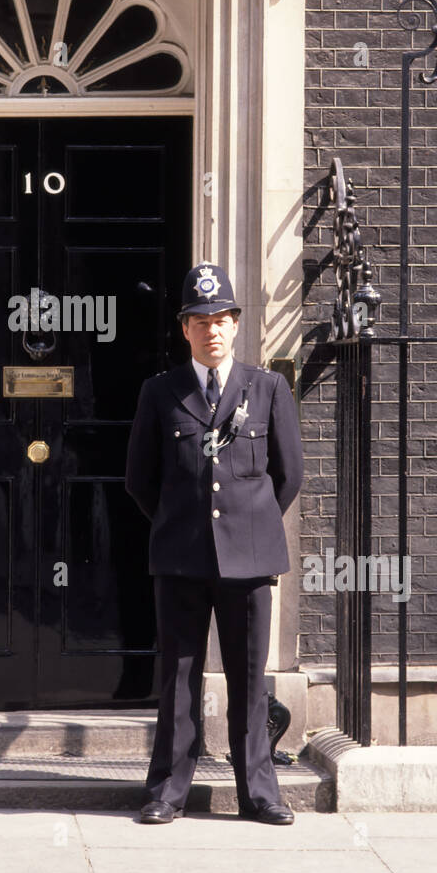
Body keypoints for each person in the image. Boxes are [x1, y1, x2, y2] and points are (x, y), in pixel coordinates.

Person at [124, 262, 304, 824]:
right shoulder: (161, 392)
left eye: (221, 318)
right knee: (178, 677)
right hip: (181, 554)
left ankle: (259, 791)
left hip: (250, 557)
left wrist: (248, 525)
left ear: (235, 323)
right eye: (200, 320)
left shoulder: (268, 387)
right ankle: (168, 791)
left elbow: (289, 473)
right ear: (185, 329)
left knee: (249, 677)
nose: (212, 330)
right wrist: (184, 519)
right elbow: (139, 479)